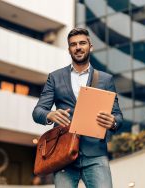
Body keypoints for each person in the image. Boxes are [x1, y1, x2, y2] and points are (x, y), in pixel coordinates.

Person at [32, 28, 123, 188]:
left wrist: (113, 122)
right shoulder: (55, 77)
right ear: (69, 49)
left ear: (90, 46)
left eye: (82, 43)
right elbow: (37, 112)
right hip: (63, 155)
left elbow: (118, 116)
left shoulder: (105, 79)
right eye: (73, 44)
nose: (78, 47)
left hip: (96, 154)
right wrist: (50, 115)